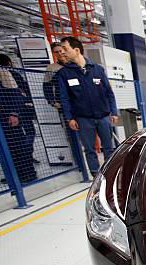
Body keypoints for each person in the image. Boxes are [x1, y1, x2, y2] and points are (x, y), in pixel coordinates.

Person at [56, 36, 118, 177]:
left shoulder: (97, 70)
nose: (62, 52)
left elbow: (109, 93)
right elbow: (64, 98)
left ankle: (111, 173)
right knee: (90, 149)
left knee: (108, 147)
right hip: (83, 119)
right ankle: (96, 175)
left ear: (76, 50)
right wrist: (69, 118)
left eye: (65, 49)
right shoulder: (64, 74)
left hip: (103, 117)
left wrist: (114, 112)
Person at [0, 62, 37, 183]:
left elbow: (16, 93)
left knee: (17, 146)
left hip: (7, 117)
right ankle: (13, 176)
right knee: (0, 150)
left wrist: (14, 113)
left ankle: (27, 174)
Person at [0, 53, 40, 164]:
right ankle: (27, 156)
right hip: (21, 109)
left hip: (5, 113)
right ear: (9, 62)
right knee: (28, 133)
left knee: (13, 138)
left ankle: (23, 158)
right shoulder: (13, 75)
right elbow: (25, 90)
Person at [43, 42, 66, 109]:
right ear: (53, 53)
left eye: (60, 51)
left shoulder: (74, 65)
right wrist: (52, 101)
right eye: (56, 52)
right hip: (61, 102)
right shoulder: (51, 68)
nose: (59, 53)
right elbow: (47, 86)